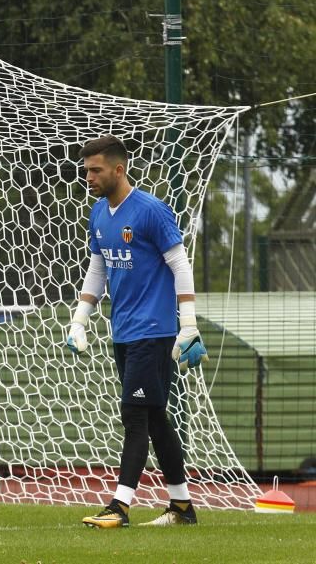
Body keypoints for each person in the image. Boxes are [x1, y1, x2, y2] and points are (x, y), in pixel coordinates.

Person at [66, 135, 209, 529]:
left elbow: (181, 266)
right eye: (86, 169)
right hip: (124, 332)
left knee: (134, 415)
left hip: (154, 330)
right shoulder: (98, 213)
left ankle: (120, 506)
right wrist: (80, 319)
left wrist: (189, 325)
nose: (88, 176)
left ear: (118, 169)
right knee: (156, 417)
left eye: (95, 170)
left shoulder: (151, 211)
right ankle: (181, 507)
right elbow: (98, 268)